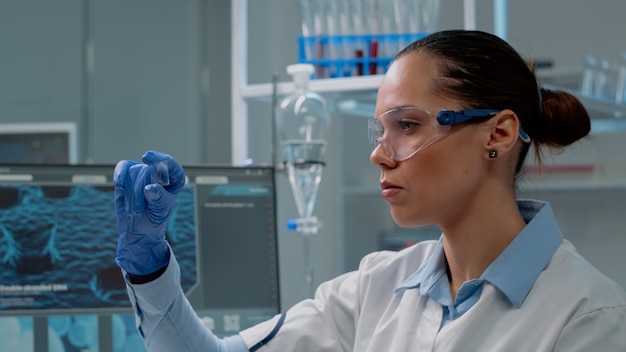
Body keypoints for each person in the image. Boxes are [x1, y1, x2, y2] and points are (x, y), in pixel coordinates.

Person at [114, 30, 626, 351]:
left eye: (407, 125)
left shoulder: (587, 314)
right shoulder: (376, 287)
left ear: (498, 133)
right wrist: (150, 269)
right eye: (380, 130)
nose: (380, 154)